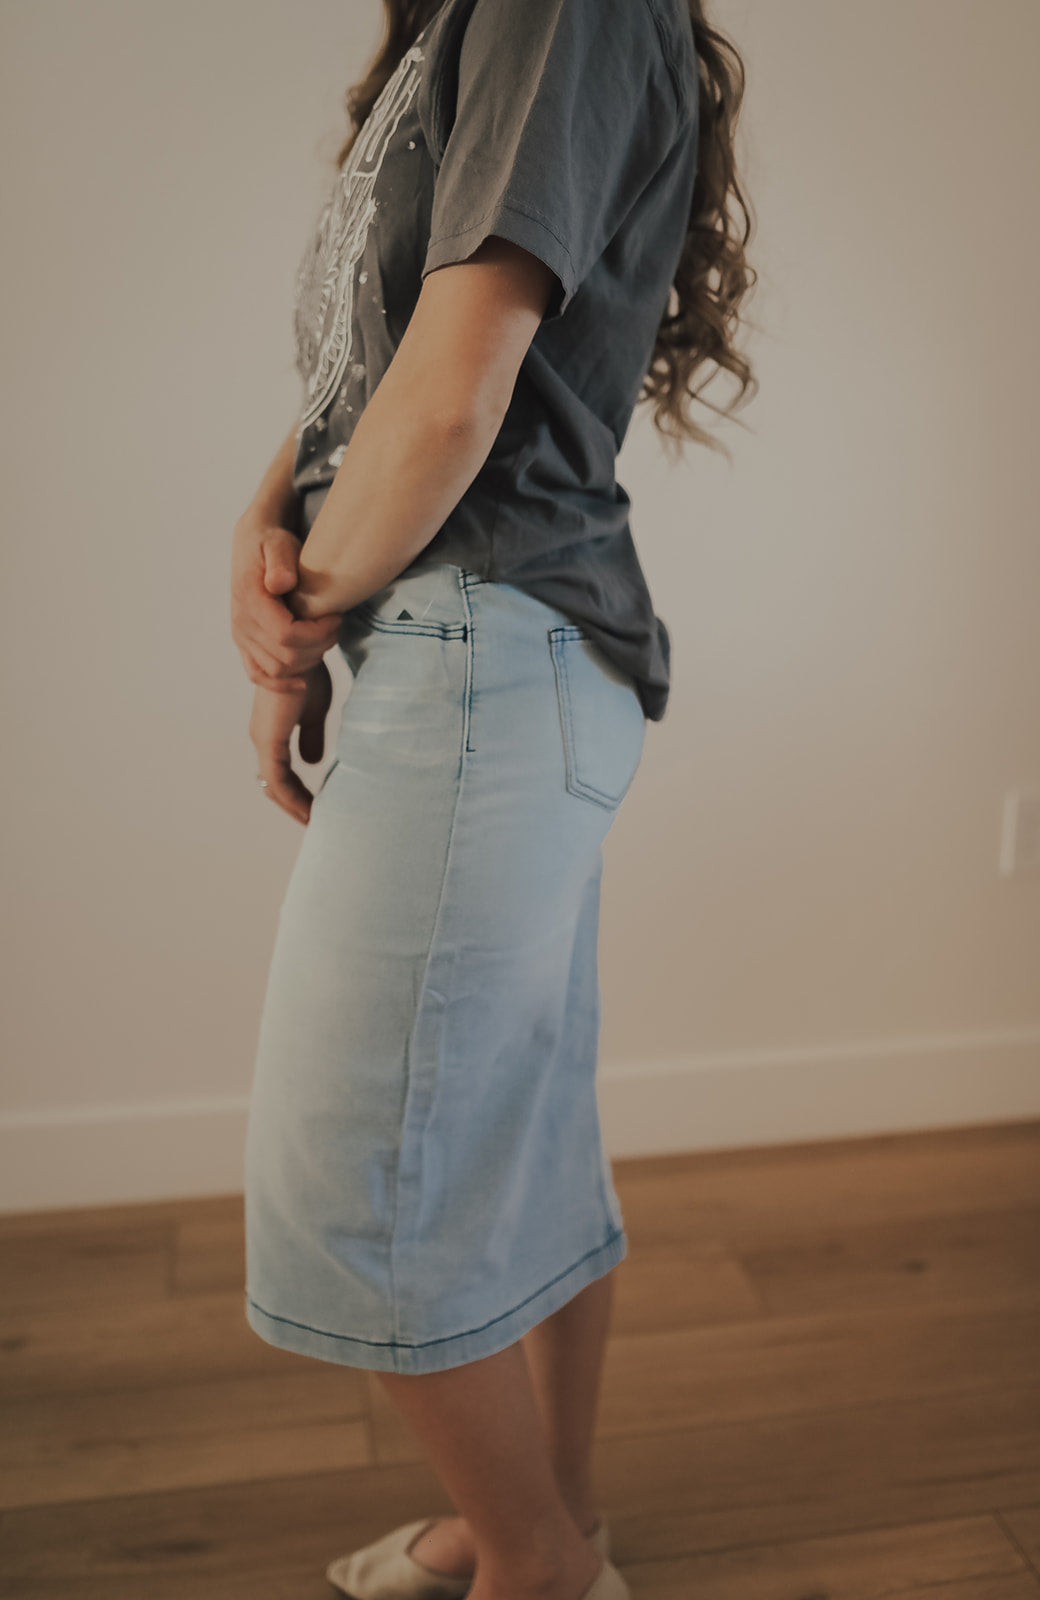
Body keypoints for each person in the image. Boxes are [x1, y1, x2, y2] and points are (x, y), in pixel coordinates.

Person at [229, 0, 755, 1596]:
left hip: (475, 645)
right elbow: (368, 379)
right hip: (482, 649)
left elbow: (455, 401)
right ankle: (550, 1517)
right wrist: (265, 525)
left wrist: (289, 635)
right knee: (511, 1133)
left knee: (354, 1186)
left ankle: (540, 1568)